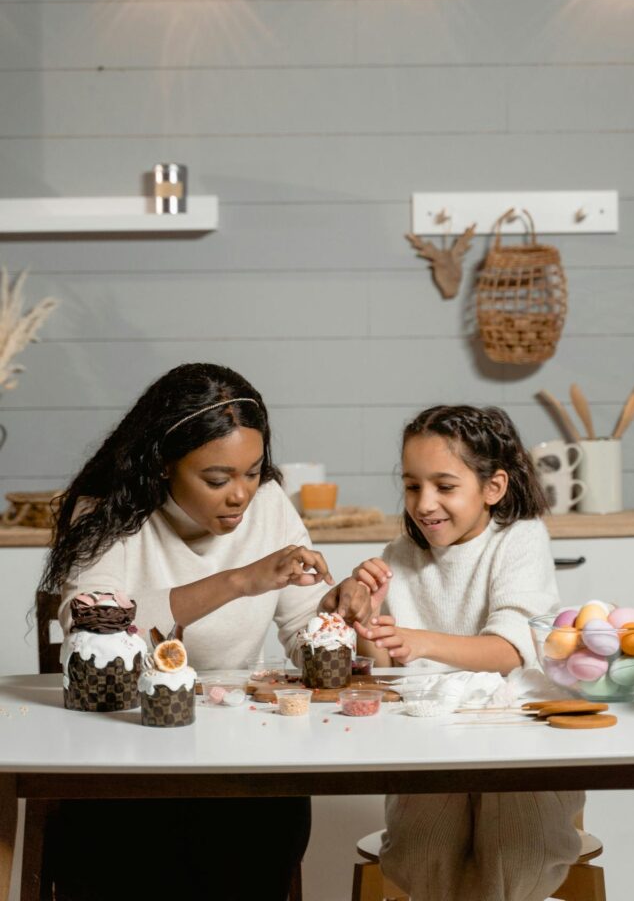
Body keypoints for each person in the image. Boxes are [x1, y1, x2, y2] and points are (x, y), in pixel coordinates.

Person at [39, 361, 371, 901]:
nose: (241, 494)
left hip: (238, 757)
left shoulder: (269, 506)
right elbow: (87, 618)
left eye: (253, 471)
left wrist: (339, 613)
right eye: (217, 479)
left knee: (262, 828)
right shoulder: (106, 512)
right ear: (164, 465)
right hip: (122, 757)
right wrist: (239, 581)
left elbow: (301, 626)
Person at [351, 404, 584, 901]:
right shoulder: (399, 556)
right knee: (422, 852)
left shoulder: (519, 539)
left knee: (518, 849)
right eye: (413, 486)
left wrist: (421, 641)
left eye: (445, 486)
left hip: (518, 735)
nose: (425, 503)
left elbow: (510, 650)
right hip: (432, 741)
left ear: (492, 489)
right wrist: (368, 621)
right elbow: (384, 669)